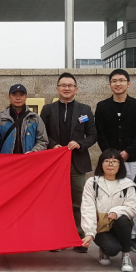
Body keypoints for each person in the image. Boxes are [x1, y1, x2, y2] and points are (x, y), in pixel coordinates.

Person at [40, 72, 97, 251]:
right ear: (57, 89)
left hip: (77, 163)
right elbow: (42, 134)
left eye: (70, 85)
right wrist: (53, 145)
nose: (66, 88)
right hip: (54, 164)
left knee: (78, 201)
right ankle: (57, 238)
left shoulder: (84, 110)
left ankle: (79, 238)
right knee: (55, 201)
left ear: (76, 89)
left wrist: (80, 144)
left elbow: (93, 135)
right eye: (63, 85)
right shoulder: (48, 110)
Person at [94, 68, 136, 254]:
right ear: (110, 85)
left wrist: (127, 152)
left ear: (128, 83)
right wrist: (111, 155)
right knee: (108, 196)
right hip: (109, 160)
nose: (118, 84)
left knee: (132, 196)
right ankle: (108, 233)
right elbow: (100, 133)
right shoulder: (102, 106)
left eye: (121, 80)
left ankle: (134, 236)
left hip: (132, 160)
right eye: (114, 81)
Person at [80, 149, 136, 272]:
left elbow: (132, 207)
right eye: (107, 161)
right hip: (101, 227)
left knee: (123, 219)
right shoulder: (93, 183)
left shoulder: (127, 184)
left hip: (118, 225)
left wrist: (117, 211)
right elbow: (88, 208)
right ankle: (105, 250)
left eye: (114, 161)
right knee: (112, 249)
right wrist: (90, 233)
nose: (110, 164)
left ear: (120, 165)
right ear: (101, 164)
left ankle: (126, 256)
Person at [0, 84, 48, 154]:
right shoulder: (0, 119)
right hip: (7, 160)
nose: (18, 98)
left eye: (21, 95)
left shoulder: (35, 118)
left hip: (28, 159)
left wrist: (34, 152)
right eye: (14, 95)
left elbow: (43, 141)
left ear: (26, 97)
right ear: (9, 97)